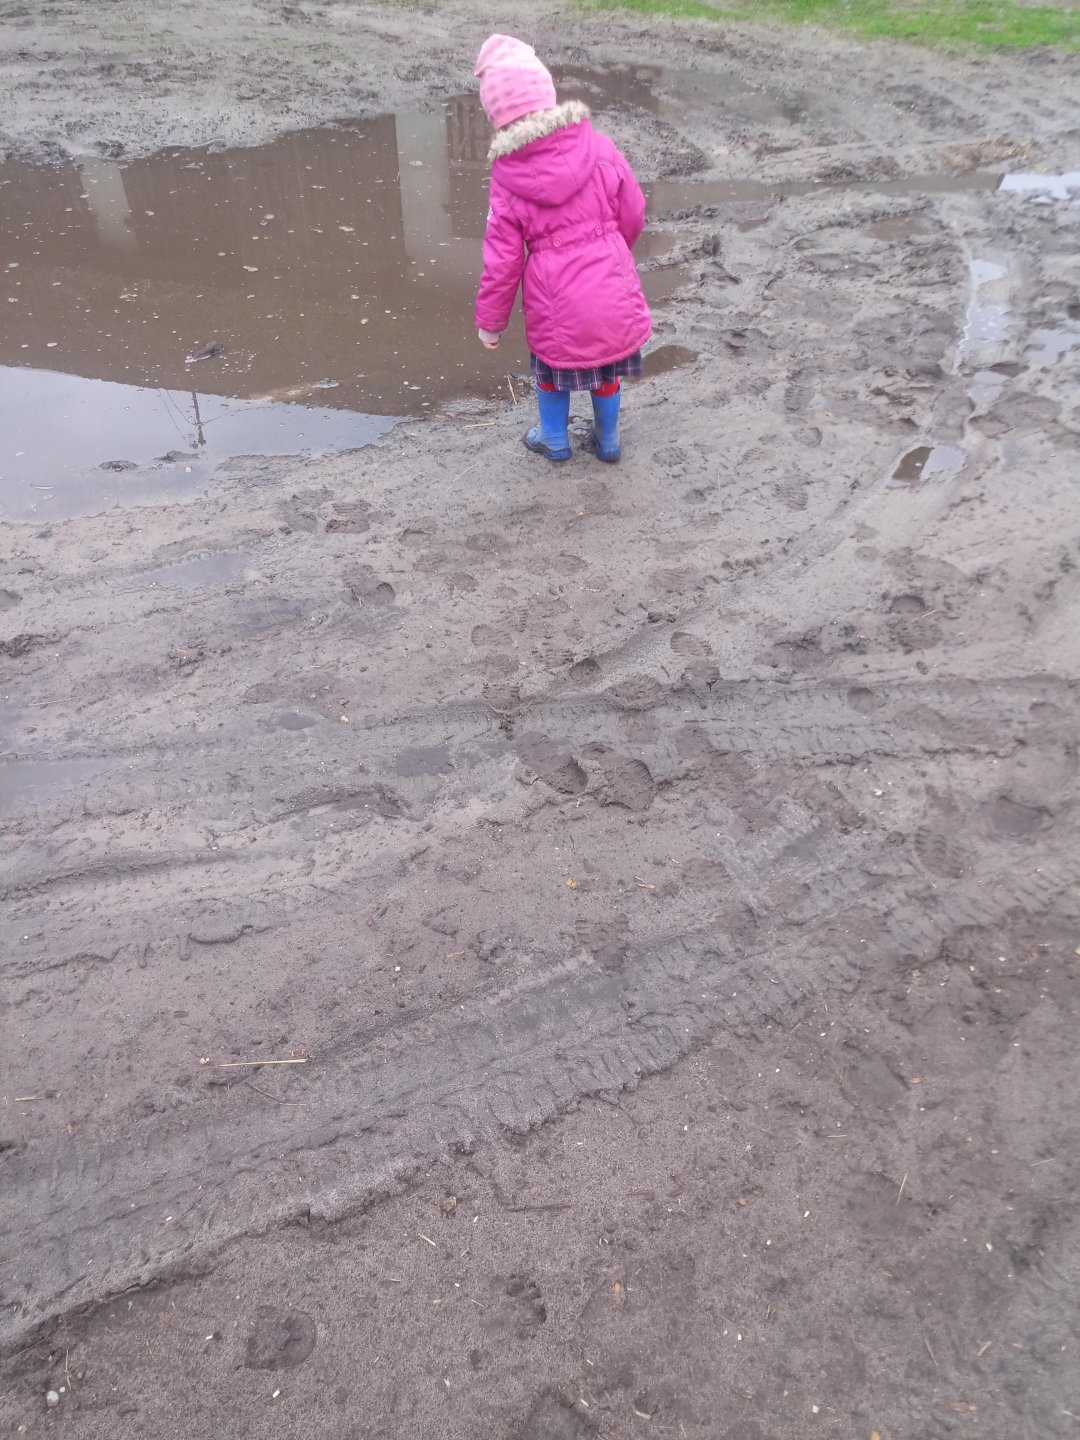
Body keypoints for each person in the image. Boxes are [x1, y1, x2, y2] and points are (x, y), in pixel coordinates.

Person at [474, 34, 652, 464]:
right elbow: (633, 211)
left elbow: (503, 261)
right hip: (609, 286)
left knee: (551, 369)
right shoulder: (599, 146)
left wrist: (491, 323)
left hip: (554, 300)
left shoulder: (507, 179)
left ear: (497, 117)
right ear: (548, 95)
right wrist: (614, 255)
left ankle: (554, 439)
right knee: (607, 366)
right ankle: (607, 439)